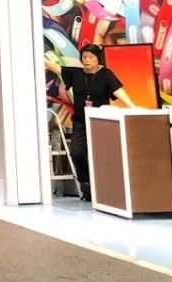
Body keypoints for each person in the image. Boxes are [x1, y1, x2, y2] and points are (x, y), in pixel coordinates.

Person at [46, 43, 136, 201]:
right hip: (80, 122)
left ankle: (105, 186)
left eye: (90, 57)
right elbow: (55, 68)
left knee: (101, 155)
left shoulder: (106, 74)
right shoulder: (76, 74)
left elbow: (117, 90)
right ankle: (86, 183)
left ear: (98, 59)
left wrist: (132, 106)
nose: (86, 60)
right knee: (77, 152)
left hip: (100, 122)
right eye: (84, 57)